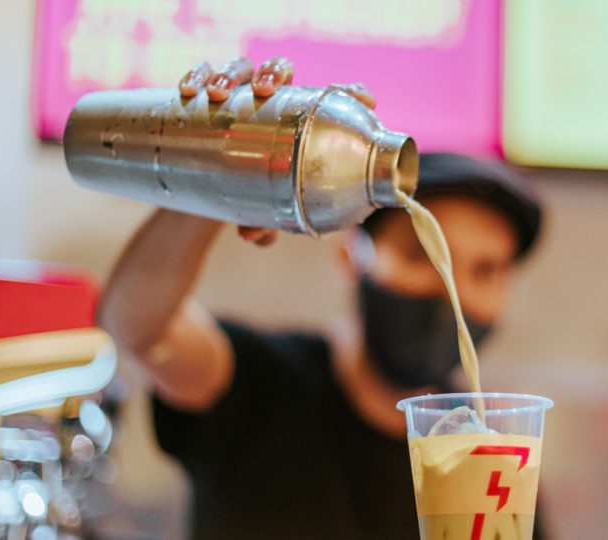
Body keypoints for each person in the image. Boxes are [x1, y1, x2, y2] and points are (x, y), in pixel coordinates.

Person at [98, 56, 545, 539]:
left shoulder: (488, 465)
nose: (450, 290)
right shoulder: (259, 383)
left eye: (484, 271)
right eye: (422, 255)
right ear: (351, 256)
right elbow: (140, 328)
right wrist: (214, 160)